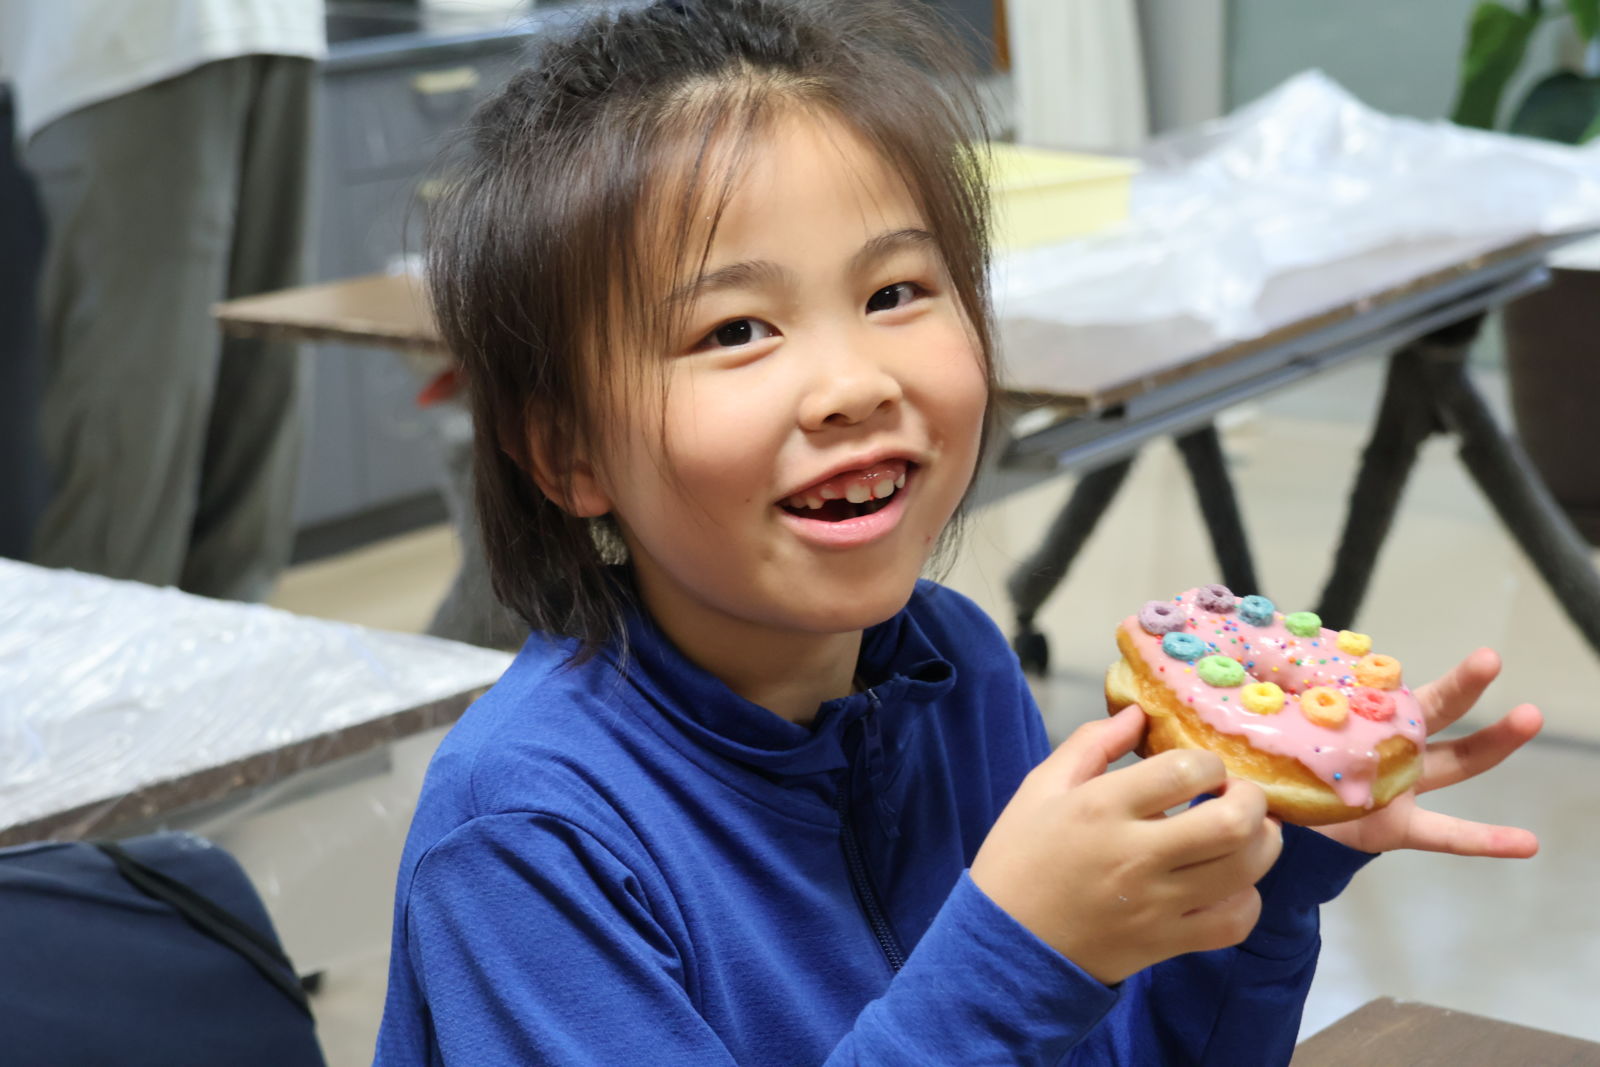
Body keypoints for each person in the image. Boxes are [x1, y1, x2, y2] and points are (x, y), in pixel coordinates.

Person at [374, 1, 1543, 1063]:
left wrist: (1267, 866)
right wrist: (1019, 953)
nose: (853, 383)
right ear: (568, 454)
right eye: (735, 329)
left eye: (893, 293)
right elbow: (1006, 1003)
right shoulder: (525, 835)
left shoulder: (959, 673)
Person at [1, 2, 324, 601]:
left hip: (281, 31)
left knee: (263, 385)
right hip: (119, 45)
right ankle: (98, 652)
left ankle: (231, 644)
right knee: (136, 421)